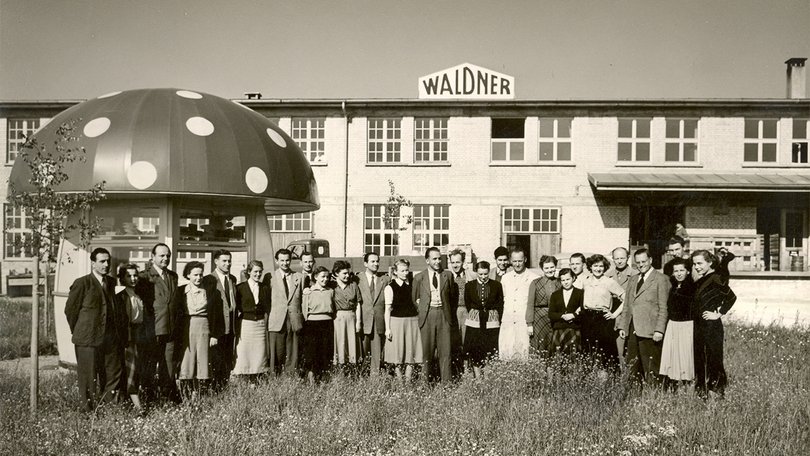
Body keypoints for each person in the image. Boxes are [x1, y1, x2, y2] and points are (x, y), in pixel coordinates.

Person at [65, 247, 127, 412]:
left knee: (113, 373)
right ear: (93, 263)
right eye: (102, 261)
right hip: (88, 339)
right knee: (88, 377)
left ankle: (111, 407)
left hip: (109, 339)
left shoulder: (113, 283)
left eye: (108, 261)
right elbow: (71, 311)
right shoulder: (82, 283)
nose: (106, 265)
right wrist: (80, 330)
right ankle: (89, 411)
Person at [618, 249, 670, 388]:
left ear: (650, 260)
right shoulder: (633, 279)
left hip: (651, 329)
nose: (641, 265)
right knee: (632, 364)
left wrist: (659, 330)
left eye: (644, 262)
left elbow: (663, 307)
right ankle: (634, 394)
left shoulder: (661, 279)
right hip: (632, 328)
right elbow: (627, 305)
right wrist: (623, 326)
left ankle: (654, 394)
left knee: (651, 365)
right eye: (638, 263)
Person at [135, 243, 180, 403]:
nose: (165, 258)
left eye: (167, 255)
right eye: (161, 255)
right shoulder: (144, 277)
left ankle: (166, 397)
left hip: (170, 329)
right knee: (149, 365)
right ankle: (148, 398)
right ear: (153, 257)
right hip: (152, 329)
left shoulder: (173, 276)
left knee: (168, 366)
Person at [691, 249, 737, 399]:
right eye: (694, 264)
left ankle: (717, 390)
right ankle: (701, 391)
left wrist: (718, 313)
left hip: (711, 326)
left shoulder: (716, 277)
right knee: (700, 357)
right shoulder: (702, 279)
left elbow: (731, 297)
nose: (697, 267)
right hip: (699, 325)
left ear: (709, 263)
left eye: (700, 263)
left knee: (713, 357)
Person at [413, 247, 458, 383]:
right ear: (427, 260)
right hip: (427, 316)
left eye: (439, 258)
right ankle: (425, 383)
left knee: (446, 351)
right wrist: (423, 310)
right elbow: (414, 299)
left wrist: (448, 314)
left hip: (444, 315)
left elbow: (452, 297)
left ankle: (446, 383)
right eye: (434, 259)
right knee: (426, 351)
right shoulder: (419, 277)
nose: (438, 261)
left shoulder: (448, 275)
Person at [176, 261, 217, 397]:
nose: (198, 278)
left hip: (204, 327)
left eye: (200, 275)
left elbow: (215, 314)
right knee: (187, 360)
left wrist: (214, 334)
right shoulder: (181, 291)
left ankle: (202, 394)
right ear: (188, 275)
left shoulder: (209, 291)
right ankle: (186, 395)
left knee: (203, 360)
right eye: (195, 275)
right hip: (187, 328)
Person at [579, 254, 625, 371]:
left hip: (603, 319)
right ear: (590, 267)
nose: (598, 269)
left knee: (605, 352)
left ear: (605, 267)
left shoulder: (609, 282)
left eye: (601, 266)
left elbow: (626, 298)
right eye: (595, 266)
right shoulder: (585, 281)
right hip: (587, 318)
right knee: (588, 351)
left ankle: (608, 380)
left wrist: (614, 314)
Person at [202, 250, 238, 391]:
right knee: (216, 361)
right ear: (216, 261)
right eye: (224, 261)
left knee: (227, 361)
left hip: (230, 329)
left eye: (229, 261)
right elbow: (209, 309)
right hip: (217, 330)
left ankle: (224, 388)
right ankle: (215, 390)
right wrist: (212, 333)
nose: (227, 264)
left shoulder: (232, 279)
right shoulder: (209, 280)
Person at [267, 248, 304, 376]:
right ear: (277, 261)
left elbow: (303, 298)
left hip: (294, 319)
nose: (285, 263)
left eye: (287, 260)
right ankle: (275, 377)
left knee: (292, 350)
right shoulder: (270, 277)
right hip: (276, 319)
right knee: (277, 351)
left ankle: (291, 376)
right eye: (282, 260)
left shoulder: (299, 277)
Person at [659, 258, 696, 387]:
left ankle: (687, 383)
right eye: (676, 271)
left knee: (685, 355)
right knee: (672, 355)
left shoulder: (692, 287)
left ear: (688, 271)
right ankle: (673, 383)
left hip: (686, 326)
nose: (679, 273)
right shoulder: (673, 286)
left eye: (682, 270)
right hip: (673, 325)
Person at [384, 259, 424, 380]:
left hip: (412, 322)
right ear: (395, 272)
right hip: (396, 322)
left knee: (411, 351)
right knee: (397, 352)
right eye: (402, 271)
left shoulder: (412, 285)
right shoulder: (390, 288)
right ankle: (400, 381)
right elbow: (387, 309)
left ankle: (408, 380)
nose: (405, 273)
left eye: (407, 270)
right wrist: (388, 328)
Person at [463, 261, 504, 377]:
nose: (483, 277)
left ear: (488, 272)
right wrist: (476, 313)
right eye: (480, 274)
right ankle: (477, 376)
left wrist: (495, 317)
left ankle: (487, 376)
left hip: (491, 320)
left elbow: (500, 303)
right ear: (476, 272)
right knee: (475, 347)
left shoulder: (496, 285)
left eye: (485, 274)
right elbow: (468, 303)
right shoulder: (469, 285)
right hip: (475, 320)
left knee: (489, 347)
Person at [498, 247, 538, 360]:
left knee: (524, 352)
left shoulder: (534, 278)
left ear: (525, 259)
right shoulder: (505, 278)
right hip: (508, 321)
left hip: (524, 322)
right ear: (510, 261)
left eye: (520, 261)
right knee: (507, 353)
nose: (517, 264)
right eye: (514, 261)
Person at [233, 260, 270, 381]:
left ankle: (256, 378)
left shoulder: (264, 288)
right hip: (246, 324)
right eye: (255, 272)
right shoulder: (240, 288)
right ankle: (244, 378)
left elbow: (267, 306)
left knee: (259, 352)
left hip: (259, 324)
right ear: (249, 272)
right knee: (245, 351)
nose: (258, 274)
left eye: (260, 272)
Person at [116, 264, 145, 413]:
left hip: (139, 335)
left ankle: (130, 404)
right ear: (122, 278)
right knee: (130, 371)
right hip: (128, 338)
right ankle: (138, 407)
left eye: (135, 275)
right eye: (129, 276)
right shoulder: (121, 297)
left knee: (137, 370)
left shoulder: (137, 295)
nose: (133, 279)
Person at [358, 252, 390, 377]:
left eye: (377, 261)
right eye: (372, 261)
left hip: (378, 320)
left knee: (377, 353)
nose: (376, 264)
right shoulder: (358, 279)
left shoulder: (385, 279)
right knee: (362, 351)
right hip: (363, 320)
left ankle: (375, 380)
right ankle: (361, 377)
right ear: (365, 263)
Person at [302, 266, 335, 383]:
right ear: (315, 277)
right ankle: (311, 378)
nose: (325, 279)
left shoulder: (331, 291)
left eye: (327, 277)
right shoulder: (308, 292)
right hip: (312, 325)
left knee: (325, 351)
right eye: (322, 277)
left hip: (327, 324)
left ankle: (323, 379)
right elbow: (304, 311)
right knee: (313, 352)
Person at [606, 247, 637, 364]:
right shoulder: (607, 275)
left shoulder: (635, 275)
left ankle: (625, 376)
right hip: (611, 316)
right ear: (613, 259)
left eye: (622, 258)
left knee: (626, 349)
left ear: (628, 258)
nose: (619, 261)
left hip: (627, 317)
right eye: (616, 258)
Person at [526, 255, 561, 357]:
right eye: (546, 268)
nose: (550, 270)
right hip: (539, 319)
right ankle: (539, 371)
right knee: (539, 346)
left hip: (556, 319)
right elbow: (530, 304)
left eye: (552, 267)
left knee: (554, 346)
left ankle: (553, 371)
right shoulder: (535, 283)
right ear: (542, 269)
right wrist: (529, 324)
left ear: (555, 267)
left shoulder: (560, 282)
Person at [332, 260, 363, 372]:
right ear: (336, 273)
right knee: (340, 342)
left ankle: (352, 370)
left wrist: (358, 322)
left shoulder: (353, 285)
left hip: (351, 317)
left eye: (348, 273)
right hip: (337, 318)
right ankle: (339, 369)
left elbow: (358, 303)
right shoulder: (332, 286)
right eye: (344, 273)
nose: (347, 276)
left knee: (352, 343)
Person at [548, 268, 583, 356]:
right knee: (558, 356)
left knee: (574, 355)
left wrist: (574, 315)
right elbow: (551, 314)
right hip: (559, 328)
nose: (565, 282)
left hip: (574, 328)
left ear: (573, 278)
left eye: (568, 279)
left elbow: (584, 312)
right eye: (563, 280)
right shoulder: (555, 295)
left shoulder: (580, 293)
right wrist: (562, 316)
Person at [448, 248, 469, 377]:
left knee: (466, 342)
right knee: (454, 342)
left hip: (466, 312)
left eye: (458, 262)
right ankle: (455, 372)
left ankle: (467, 371)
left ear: (463, 262)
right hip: (453, 312)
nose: (455, 265)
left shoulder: (470, 276)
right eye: (453, 262)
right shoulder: (447, 277)